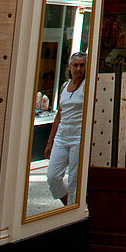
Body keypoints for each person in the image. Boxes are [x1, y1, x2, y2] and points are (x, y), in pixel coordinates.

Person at [45, 52, 86, 206]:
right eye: (75, 65)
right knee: (53, 177)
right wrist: (50, 142)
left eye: (82, 65)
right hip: (62, 137)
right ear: (69, 67)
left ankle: (72, 211)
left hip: (78, 137)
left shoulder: (86, 86)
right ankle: (69, 204)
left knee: (74, 179)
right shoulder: (64, 86)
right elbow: (59, 115)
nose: (78, 68)